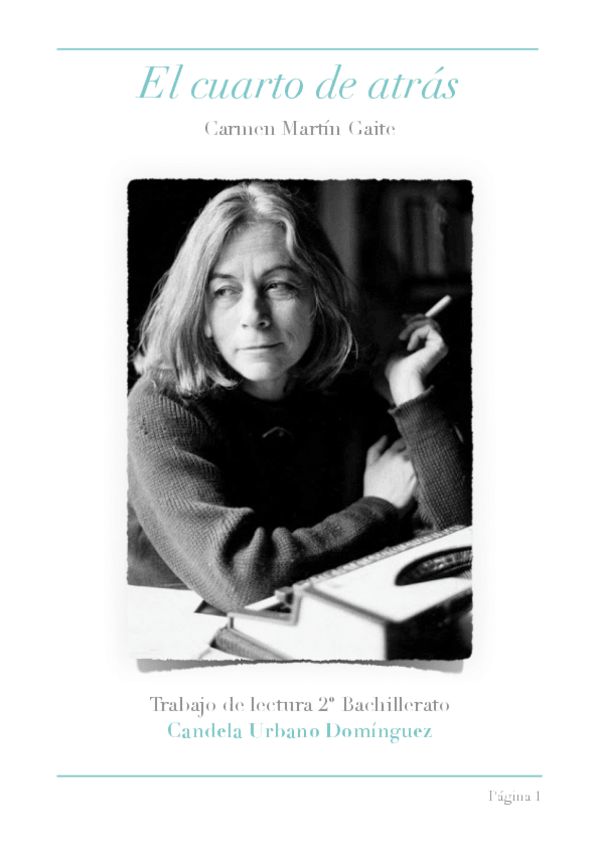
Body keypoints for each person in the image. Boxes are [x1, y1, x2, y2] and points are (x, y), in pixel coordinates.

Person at [128, 181, 471, 613]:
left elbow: (458, 547)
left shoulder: (344, 389)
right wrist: (378, 508)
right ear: (203, 315)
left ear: (317, 298)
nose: (254, 316)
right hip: (188, 639)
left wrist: (408, 389)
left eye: (279, 285)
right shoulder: (162, 406)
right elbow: (246, 581)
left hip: (323, 624)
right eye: (225, 291)